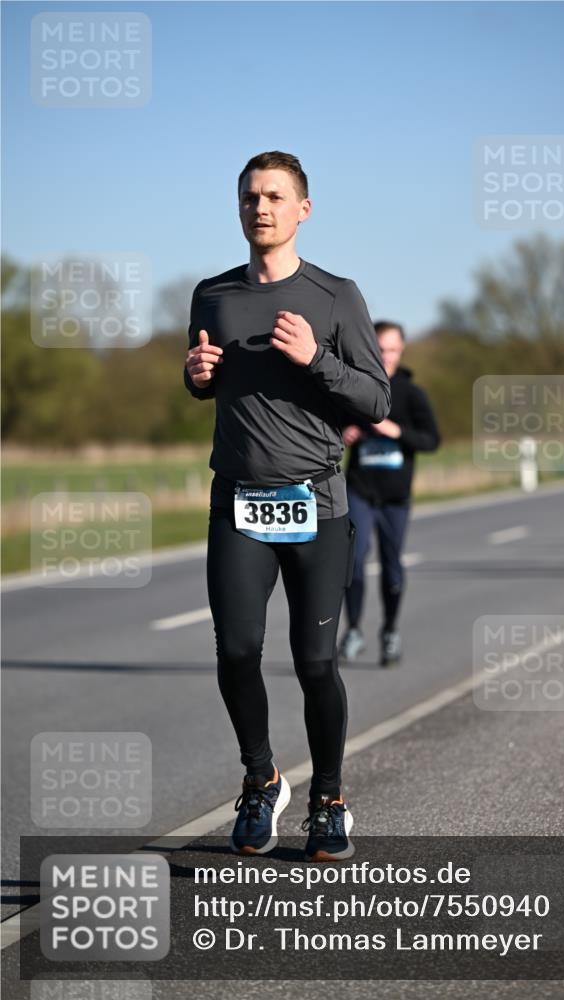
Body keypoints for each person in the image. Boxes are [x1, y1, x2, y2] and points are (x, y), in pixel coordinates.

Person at [183, 151, 390, 861]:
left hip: (315, 504)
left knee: (313, 662)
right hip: (236, 499)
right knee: (237, 651)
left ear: (303, 209)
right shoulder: (212, 295)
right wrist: (197, 378)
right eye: (249, 197)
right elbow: (210, 382)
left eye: (274, 196)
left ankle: (328, 799)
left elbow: (375, 398)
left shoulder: (335, 296)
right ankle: (259, 778)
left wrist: (317, 359)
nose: (260, 207)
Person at [338, 321, 440, 666]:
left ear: (402, 350)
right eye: (380, 349)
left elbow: (431, 440)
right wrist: (344, 433)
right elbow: (328, 428)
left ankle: (390, 631)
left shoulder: (413, 394)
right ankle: (353, 630)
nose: (387, 355)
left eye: (393, 349)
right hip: (360, 490)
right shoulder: (354, 387)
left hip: (395, 497)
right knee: (353, 560)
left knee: (392, 566)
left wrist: (395, 430)